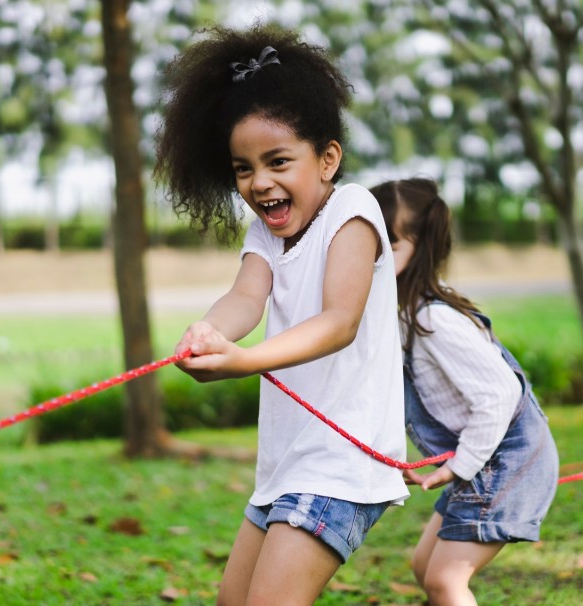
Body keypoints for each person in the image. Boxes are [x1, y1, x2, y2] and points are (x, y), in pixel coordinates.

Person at [154, 24, 409, 605]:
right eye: (243, 168)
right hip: (285, 464)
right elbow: (245, 297)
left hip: (340, 464)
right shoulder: (266, 234)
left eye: (277, 161)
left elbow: (339, 321)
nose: (259, 182)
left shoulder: (352, 210)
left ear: (327, 159)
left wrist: (244, 361)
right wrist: (210, 331)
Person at [370, 178, 559, 606]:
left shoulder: (434, 320)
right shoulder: (402, 317)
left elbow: (498, 395)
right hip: (481, 459)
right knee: (425, 567)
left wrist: (460, 465)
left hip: (505, 460)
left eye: (389, 246)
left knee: (445, 580)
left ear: (421, 246)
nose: (373, 258)